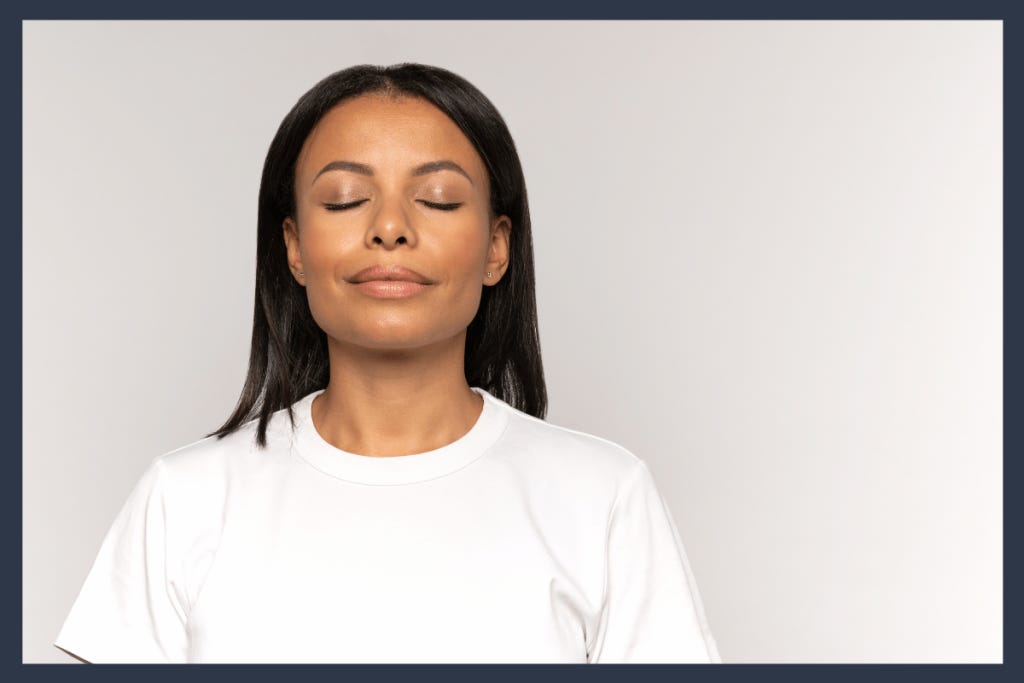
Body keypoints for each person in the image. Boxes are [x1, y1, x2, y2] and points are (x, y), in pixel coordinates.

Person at [53, 63, 721, 664]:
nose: (390, 228)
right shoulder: (186, 499)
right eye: (345, 199)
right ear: (293, 247)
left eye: (438, 200)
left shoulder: (602, 496)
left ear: (497, 246)